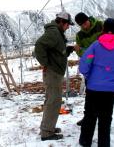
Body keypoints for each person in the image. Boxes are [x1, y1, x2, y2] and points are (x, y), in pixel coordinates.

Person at [34, 11, 74, 141]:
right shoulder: (54, 32)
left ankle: (48, 127)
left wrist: (67, 51)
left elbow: (56, 53)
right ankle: (47, 132)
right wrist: (45, 63)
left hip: (54, 73)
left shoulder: (57, 33)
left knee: (51, 100)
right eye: (68, 24)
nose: (68, 27)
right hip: (53, 73)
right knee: (53, 102)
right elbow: (39, 45)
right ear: (61, 22)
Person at [78, 18, 114, 147]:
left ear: (104, 29)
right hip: (111, 90)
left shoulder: (95, 45)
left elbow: (84, 64)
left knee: (89, 116)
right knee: (105, 119)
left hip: (93, 88)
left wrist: (89, 76)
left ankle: (85, 142)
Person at [74, 12, 104, 126]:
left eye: (85, 23)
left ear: (88, 19)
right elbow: (82, 53)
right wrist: (84, 52)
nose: (85, 26)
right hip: (91, 68)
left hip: (104, 66)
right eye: (82, 25)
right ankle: (88, 117)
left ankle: (102, 118)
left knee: (103, 94)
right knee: (90, 94)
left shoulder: (100, 25)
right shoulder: (79, 35)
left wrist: (90, 51)